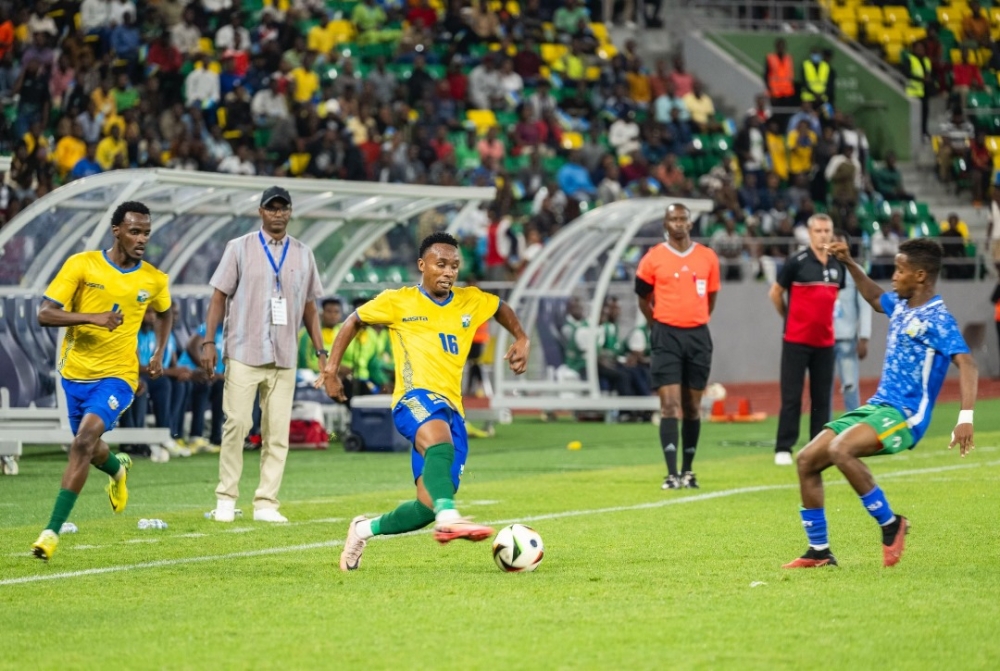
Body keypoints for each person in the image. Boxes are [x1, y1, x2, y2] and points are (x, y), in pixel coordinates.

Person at [319, 232, 530, 571]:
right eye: (441, 264)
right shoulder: (398, 301)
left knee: (426, 506)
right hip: (412, 399)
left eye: (455, 266)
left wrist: (521, 337)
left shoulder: (469, 300)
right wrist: (331, 369)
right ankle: (449, 517)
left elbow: (500, 308)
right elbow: (353, 320)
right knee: (439, 447)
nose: (448, 272)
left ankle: (362, 529)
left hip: (452, 410)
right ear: (422, 265)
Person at [785, 238, 977, 568]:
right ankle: (819, 551)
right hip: (877, 407)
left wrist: (966, 417)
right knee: (806, 459)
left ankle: (892, 524)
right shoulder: (901, 304)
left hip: (905, 414)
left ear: (920, 275)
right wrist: (848, 262)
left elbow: (968, 364)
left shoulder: (938, 320)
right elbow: (874, 297)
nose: (893, 276)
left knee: (839, 450)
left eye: (899, 270)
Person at [31, 201, 172, 560]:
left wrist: (157, 353)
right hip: (75, 374)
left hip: (119, 376)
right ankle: (117, 469)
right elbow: (45, 313)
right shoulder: (82, 264)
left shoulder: (153, 279)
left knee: (83, 442)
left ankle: (51, 532)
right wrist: (93, 318)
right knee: (90, 449)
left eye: (146, 233)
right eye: (135, 231)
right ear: (117, 231)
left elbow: (166, 313)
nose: (141, 239)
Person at [202, 186, 326, 524]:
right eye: (272, 208)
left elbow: (311, 308)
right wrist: (208, 342)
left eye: (283, 208)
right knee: (237, 424)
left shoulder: (303, 254)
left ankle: (266, 502)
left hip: (284, 355)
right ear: (261, 212)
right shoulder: (239, 248)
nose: (278, 214)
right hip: (244, 349)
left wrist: (320, 351)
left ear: (290, 212)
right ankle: (226, 498)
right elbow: (218, 297)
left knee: (277, 433)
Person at [635, 203, 721, 489]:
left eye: (683, 218)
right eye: (673, 218)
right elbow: (642, 298)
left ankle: (688, 470)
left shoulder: (707, 257)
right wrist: (656, 324)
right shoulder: (653, 258)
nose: (679, 223)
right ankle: (671, 474)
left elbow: (711, 297)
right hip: (666, 336)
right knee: (669, 405)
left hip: (697, 336)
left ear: (690, 223)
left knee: (693, 406)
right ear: (666, 224)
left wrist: (696, 318)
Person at [768, 214, 845, 466]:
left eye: (827, 230)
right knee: (792, 396)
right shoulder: (797, 262)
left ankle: (817, 446)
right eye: (818, 230)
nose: (823, 234)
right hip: (796, 340)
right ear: (810, 233)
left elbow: (836, 301)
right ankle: (783, 447)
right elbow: (775, 294)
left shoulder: (838, 265)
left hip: (825, 342)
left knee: (821, 398)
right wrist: (787, 318)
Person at [832, 231, 872, 413]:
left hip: (847, 338)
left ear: (847, 247)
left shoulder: (856, 271)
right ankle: (821, 431)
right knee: (821, 388)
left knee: (850, 387)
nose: (837, 246)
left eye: (841, 243)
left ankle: (852, 430)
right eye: (834, 242)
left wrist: (864, 337)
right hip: (822, 339)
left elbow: (865, 305)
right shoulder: (818, 269)